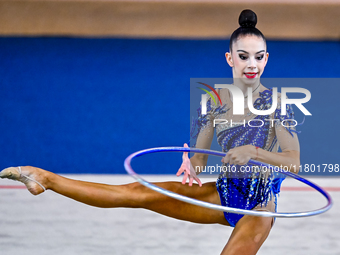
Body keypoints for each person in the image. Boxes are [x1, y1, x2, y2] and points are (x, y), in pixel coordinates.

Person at [0, 9, 300, 255]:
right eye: (244, 56)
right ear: (229, 58)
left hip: (261, 206)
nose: (252, 64)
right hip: (224, 194)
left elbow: (293, 162)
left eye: (259, 57)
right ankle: (46, 179)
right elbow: (200, 162)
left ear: (266, 59)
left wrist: (254, 153)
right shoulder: (213, 102)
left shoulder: (278, 105)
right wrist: (192, 163)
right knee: (138, 193)